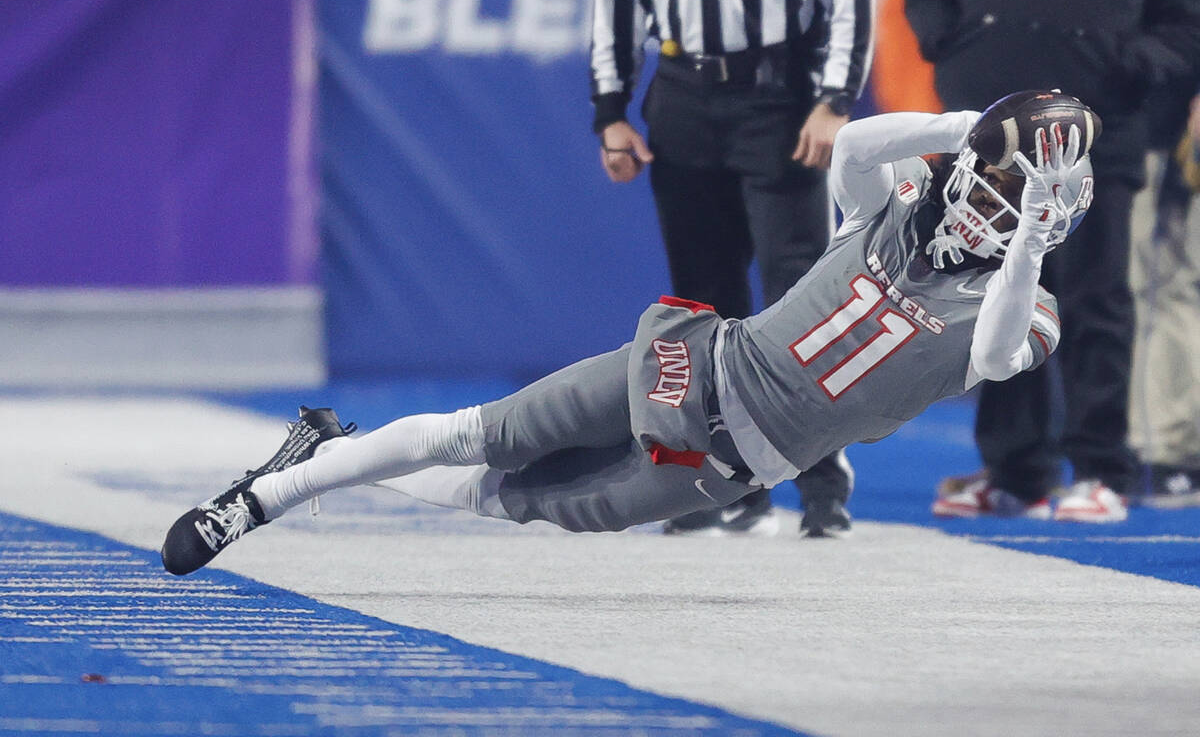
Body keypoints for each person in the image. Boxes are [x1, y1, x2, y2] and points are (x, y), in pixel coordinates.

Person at [162, 98, 1093, 577]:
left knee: (501, 499)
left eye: (1013, 204)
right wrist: (965, 125)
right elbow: (851, 148)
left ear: (1043, 225)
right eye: (988, 183)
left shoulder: (1023, 306)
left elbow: (1003, 350)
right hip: (696, 359)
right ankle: (262, 499)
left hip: (725, 463)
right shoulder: (889, 214)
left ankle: (334, 451)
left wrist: (1032, 246)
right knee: (476, 431)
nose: (986, 208)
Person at [904, 0, 1200, 522]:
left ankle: (1100, 469)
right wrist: (949, 39)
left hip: (1098, 128)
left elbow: (1186, 19)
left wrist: (1121, 61)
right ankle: (1015, 472)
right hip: (991, 127)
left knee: (1096, 301)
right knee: (992, 298)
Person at [589, 0, 876, 537]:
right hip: (682, 95)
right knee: (700, 304)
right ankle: (714, 484)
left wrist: (835, 99)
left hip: (778, 94)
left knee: (798, 301)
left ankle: (821, 483)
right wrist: (611, 110)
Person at [1128, 86, 1200, 504]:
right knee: (1170, 291)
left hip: (1168, 137)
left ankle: (1174, 453)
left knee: (1167, 292)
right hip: (1161, 132)